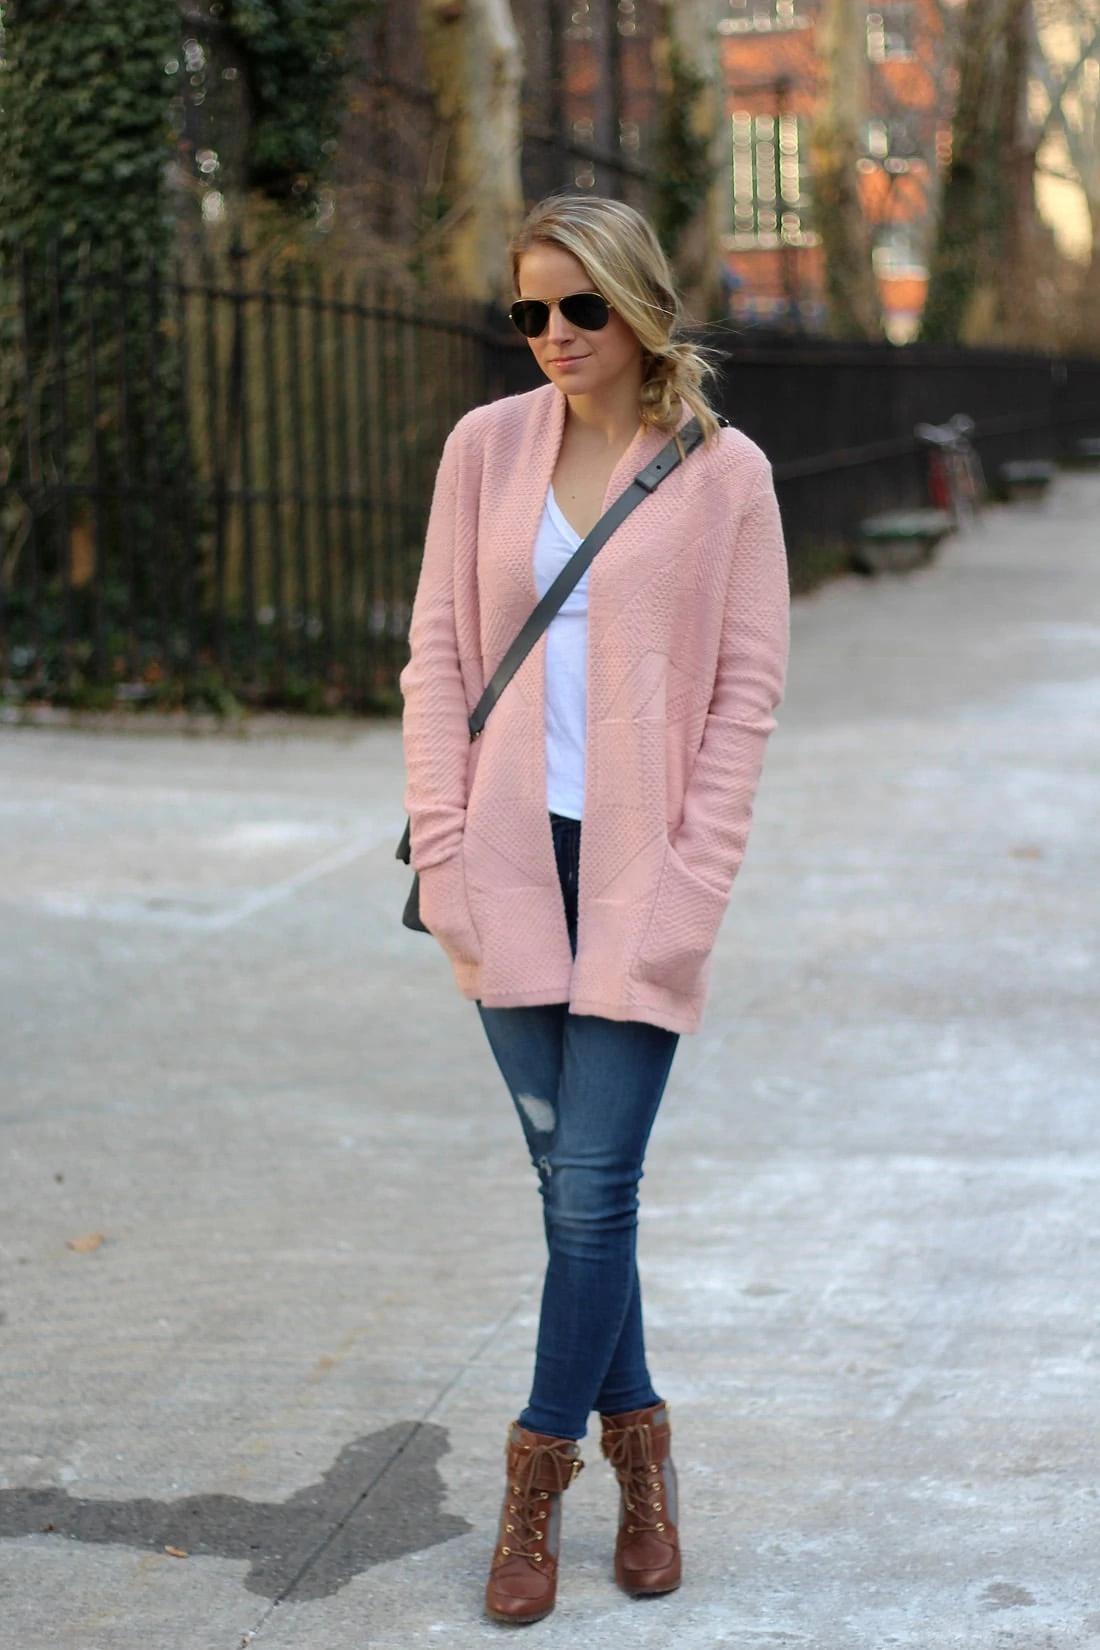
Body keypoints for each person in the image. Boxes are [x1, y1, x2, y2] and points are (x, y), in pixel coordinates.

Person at [399, 194, 789, 1624]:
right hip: (504, 860)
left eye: (581, 307)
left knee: (591, 1186)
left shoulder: (725, 474)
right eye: (530, 311)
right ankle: (645, 1455)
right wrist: (446, 850)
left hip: (639, 871)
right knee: (576, 1193)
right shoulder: (483, 449)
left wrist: (695, 882)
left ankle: (534, 1477)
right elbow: (438, 659)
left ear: (637, 307)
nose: (554, 334)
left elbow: (745, 696)